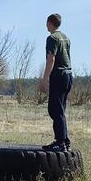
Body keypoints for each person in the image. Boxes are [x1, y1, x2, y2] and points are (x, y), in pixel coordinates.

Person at [39, 13, 73, 152]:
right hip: (68, 75)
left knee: (54, 109)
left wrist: (45, 78)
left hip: (58, 76)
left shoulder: (52, 38)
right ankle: (65, 140)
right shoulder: (66, 37)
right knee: (60, 110)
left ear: (49, 23)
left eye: (47, 23)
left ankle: (60, 142)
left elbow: (51, 59)